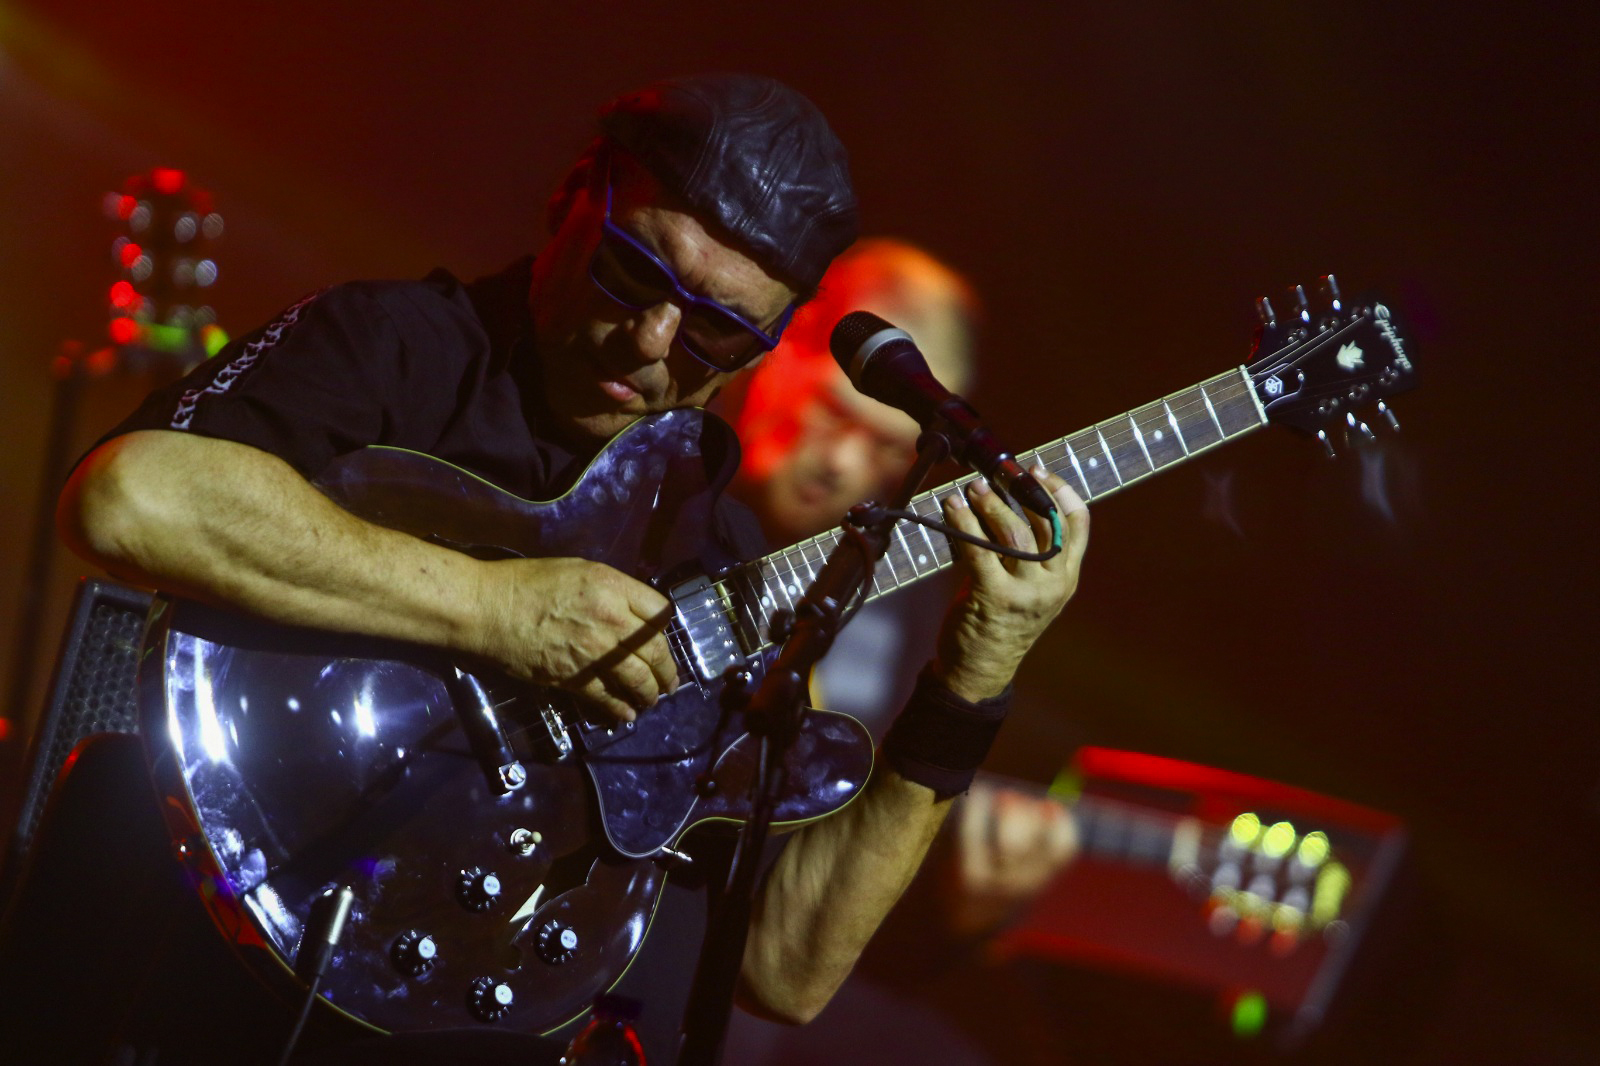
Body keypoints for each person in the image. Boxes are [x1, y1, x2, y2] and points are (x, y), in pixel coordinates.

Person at [52, 74, 1088, 1063]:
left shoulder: (716, 553)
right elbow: (124, 499)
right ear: (568, 204)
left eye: (719, 333)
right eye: (633, 271)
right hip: (187, 968)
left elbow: (785, 971)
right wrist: (493, 608)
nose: (649, 340)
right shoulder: (399, 351)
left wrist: (968, 681)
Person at [717, 239, 1079, 1064]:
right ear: (785, 344)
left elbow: (833, 932)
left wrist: (957, 916)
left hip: (763, 948)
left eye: (886, 447)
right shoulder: (664, 469)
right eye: (833, 413)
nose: (842, 464)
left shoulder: (911, 582)